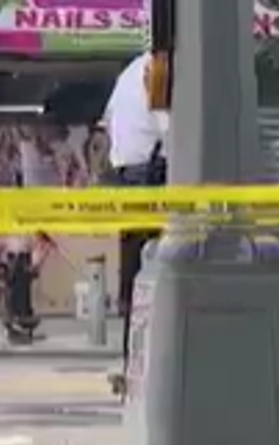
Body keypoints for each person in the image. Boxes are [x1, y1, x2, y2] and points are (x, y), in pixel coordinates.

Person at [101, 50, 170, 395]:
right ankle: (154, 363)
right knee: (165, 273)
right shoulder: (161, 70)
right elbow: (173, 131)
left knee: (135, 280)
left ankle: (133, 362)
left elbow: (108, 119)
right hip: (153, 178)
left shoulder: (129, 71)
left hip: (126, 178)